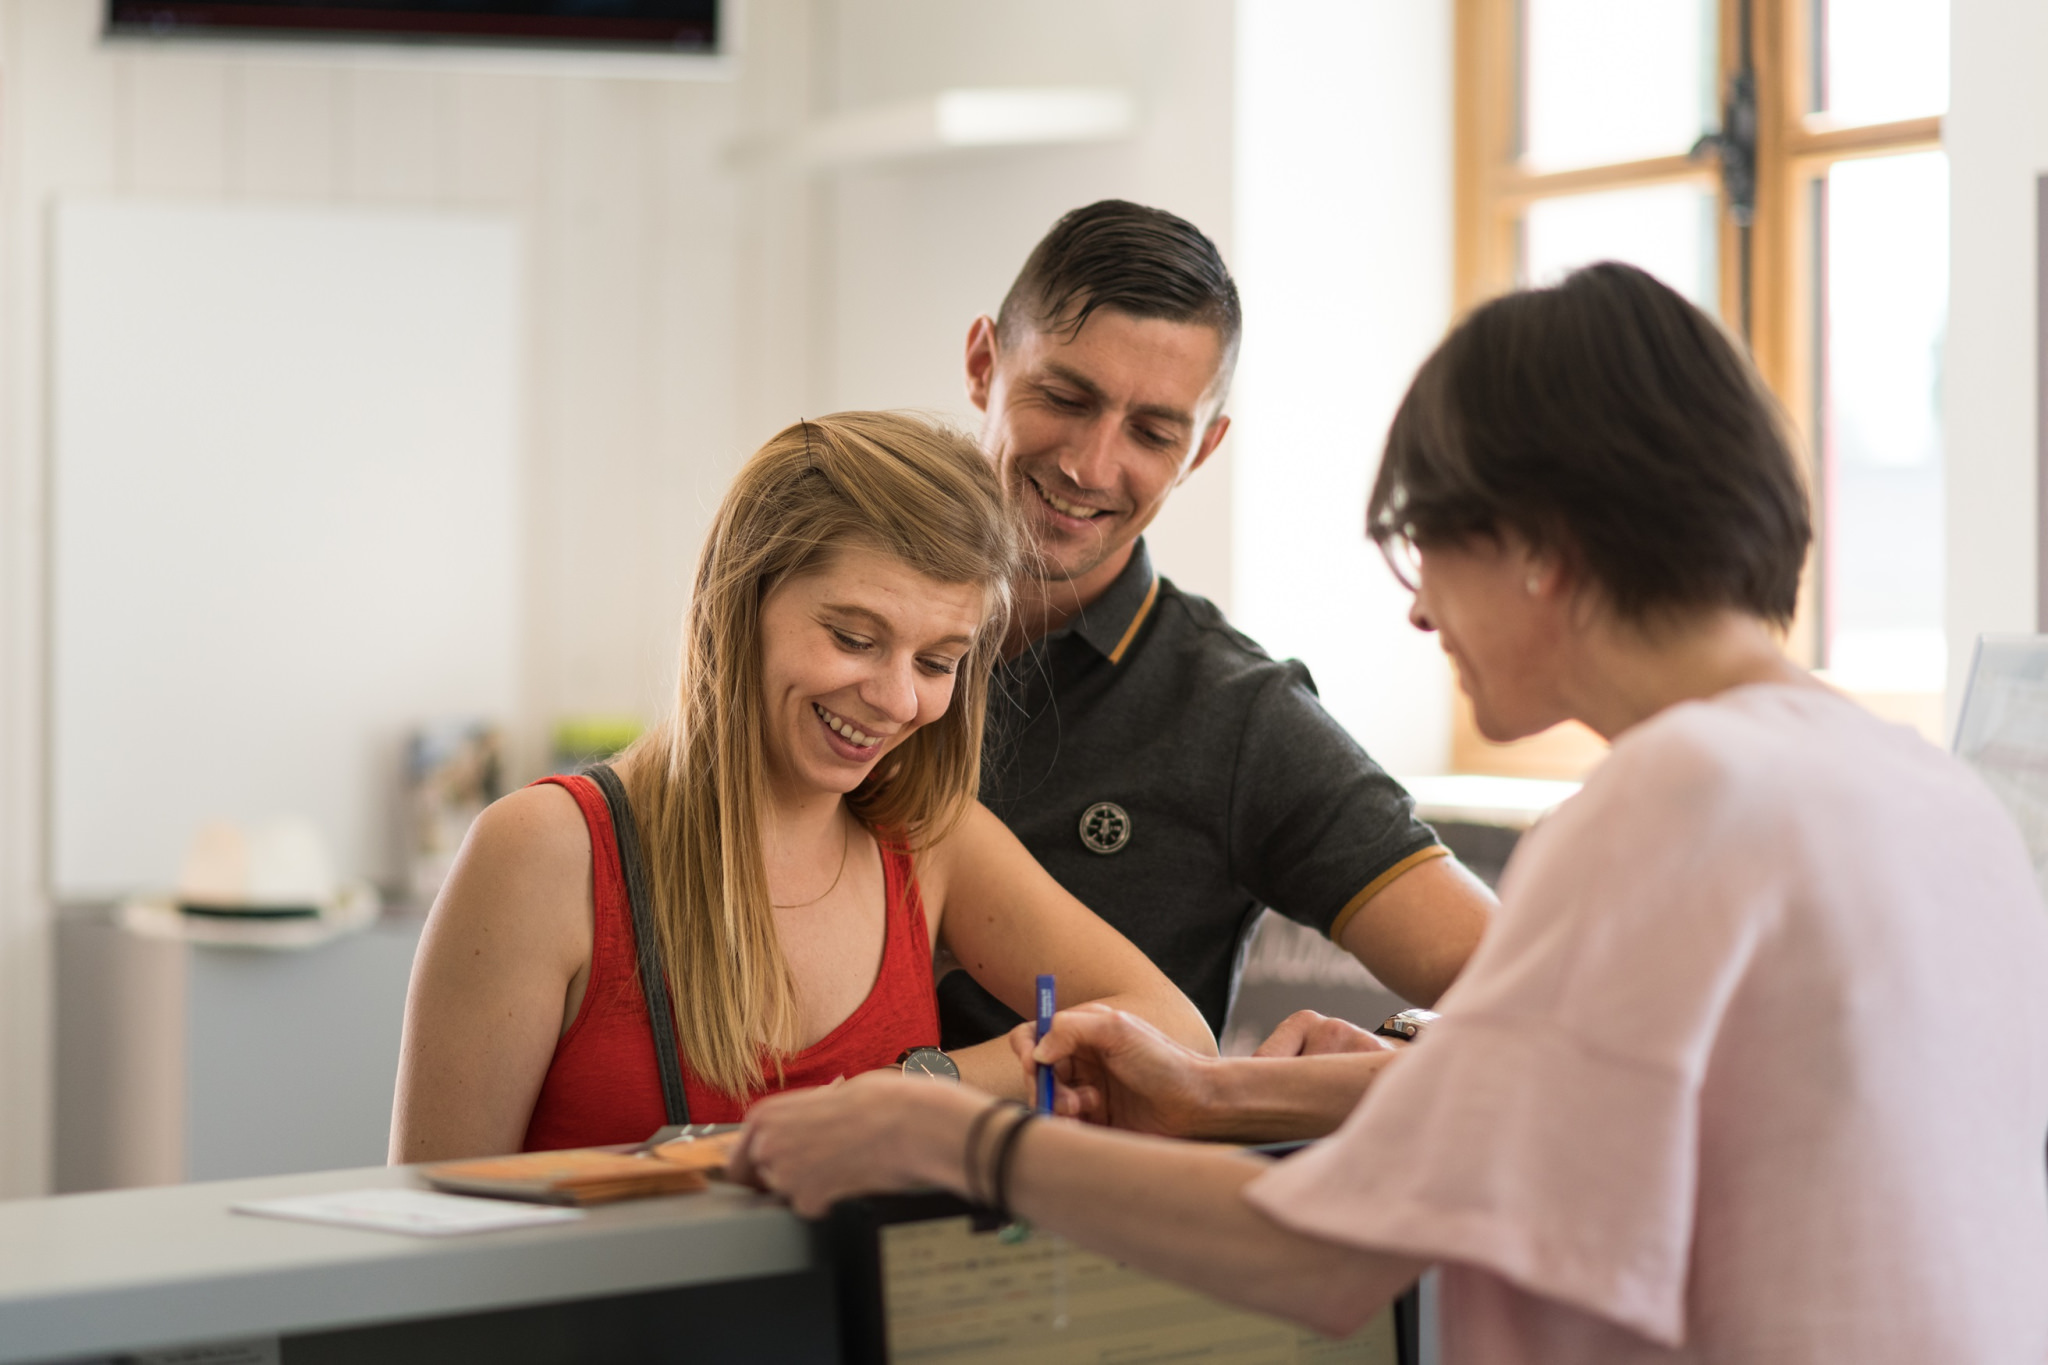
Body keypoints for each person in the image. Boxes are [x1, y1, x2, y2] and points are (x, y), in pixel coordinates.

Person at [732, 266, 2048, 1362]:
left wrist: (948, 1137)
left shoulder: (1673, 801)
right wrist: (1213, 1091)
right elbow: (1584, 1104)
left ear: (1536, 542)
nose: (1419, 610)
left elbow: (1313, 1254)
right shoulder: (1932, 795)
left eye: (1423, 546)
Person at [390, 412, 1213, 1163]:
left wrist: (919, 1086)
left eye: (937, 662)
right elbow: (424, 1245)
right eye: (855, 638)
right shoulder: (543, 853)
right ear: (739, 602)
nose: (896, 699)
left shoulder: (931, 841)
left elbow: (1178, 1035)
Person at [942, 199, 1497, 1054]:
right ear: (984, 363)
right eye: (1064, 395)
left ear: (1202, 450)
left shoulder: (1237, 714)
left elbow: (1520, 985)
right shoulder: (837, 614)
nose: (1091, 464)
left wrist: (1384, 1062)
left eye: (1153, 431)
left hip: (1059, 1183)